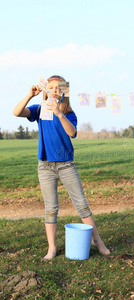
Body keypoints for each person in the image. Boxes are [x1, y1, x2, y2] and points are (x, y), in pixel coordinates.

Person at [13, 75, 110, 260]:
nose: (55, 90)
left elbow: (72, 132)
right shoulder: (39, 110)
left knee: (81, 204)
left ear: (65, 91)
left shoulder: (69, 113)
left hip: (66, 165)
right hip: (45, 166)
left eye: (59, 87)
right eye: (51, 87)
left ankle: (97, 241)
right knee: (51, 208)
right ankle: (52, 249)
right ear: (46, 89)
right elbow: (17, 112)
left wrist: (59, 113)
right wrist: (30, 95)